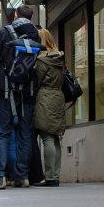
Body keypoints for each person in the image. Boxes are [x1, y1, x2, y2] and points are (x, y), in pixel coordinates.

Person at [0, 5, 40, 189]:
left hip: (8, 89)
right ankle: (22, 176)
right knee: (25, 133)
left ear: (15, 15)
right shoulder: (35, 35)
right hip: (29, 90)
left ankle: (0, 176)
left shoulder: (5, 32)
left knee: (3, 133)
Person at [32, 29, 65, 187]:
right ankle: (56, 175)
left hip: (45, 97)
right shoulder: (59, 57)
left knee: (46, 137)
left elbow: (37, 80)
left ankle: (50, 176)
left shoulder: (42, 60)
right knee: (55, 136)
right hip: (58, 97)